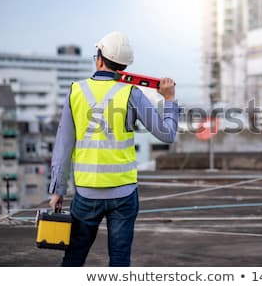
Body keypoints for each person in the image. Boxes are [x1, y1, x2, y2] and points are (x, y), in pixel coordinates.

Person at [48, 31, 178, 266]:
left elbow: (63, 146)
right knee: (119, 261)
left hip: (86, 193)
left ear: (99, 58)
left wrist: (57, 189)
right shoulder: (131, 93)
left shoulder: (75, 91)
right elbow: (167, 134)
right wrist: (169, 100)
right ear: (124, 66)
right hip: (124, 194)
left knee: (74, 258)